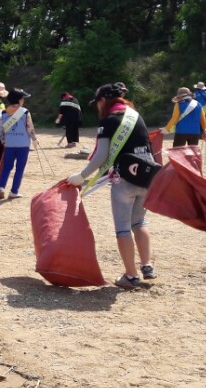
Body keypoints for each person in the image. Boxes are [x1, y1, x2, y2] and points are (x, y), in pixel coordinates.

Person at [66, 83, 156, 289]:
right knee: (140, 222)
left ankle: (131, 276)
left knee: (123, 228)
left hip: (123, 180)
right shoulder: (137, 116)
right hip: (146, 177)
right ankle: (147, 265)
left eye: (97, 102)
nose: (97, 107)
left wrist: (81, 176)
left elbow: (101, 156)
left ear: (103, 100)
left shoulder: (109, 121)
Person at [0, 89, 38, 200]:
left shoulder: (4, 112)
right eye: (23, 98)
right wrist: (34, 140)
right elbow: (30, 128)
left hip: (9, 145)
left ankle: (1, 188)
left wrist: (3, 141)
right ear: (20, 99)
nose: (23, 100)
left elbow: (2, 129)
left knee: (6, 168)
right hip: (23, 145)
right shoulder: (25, 112)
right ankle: (14, 192)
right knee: (19, 168)